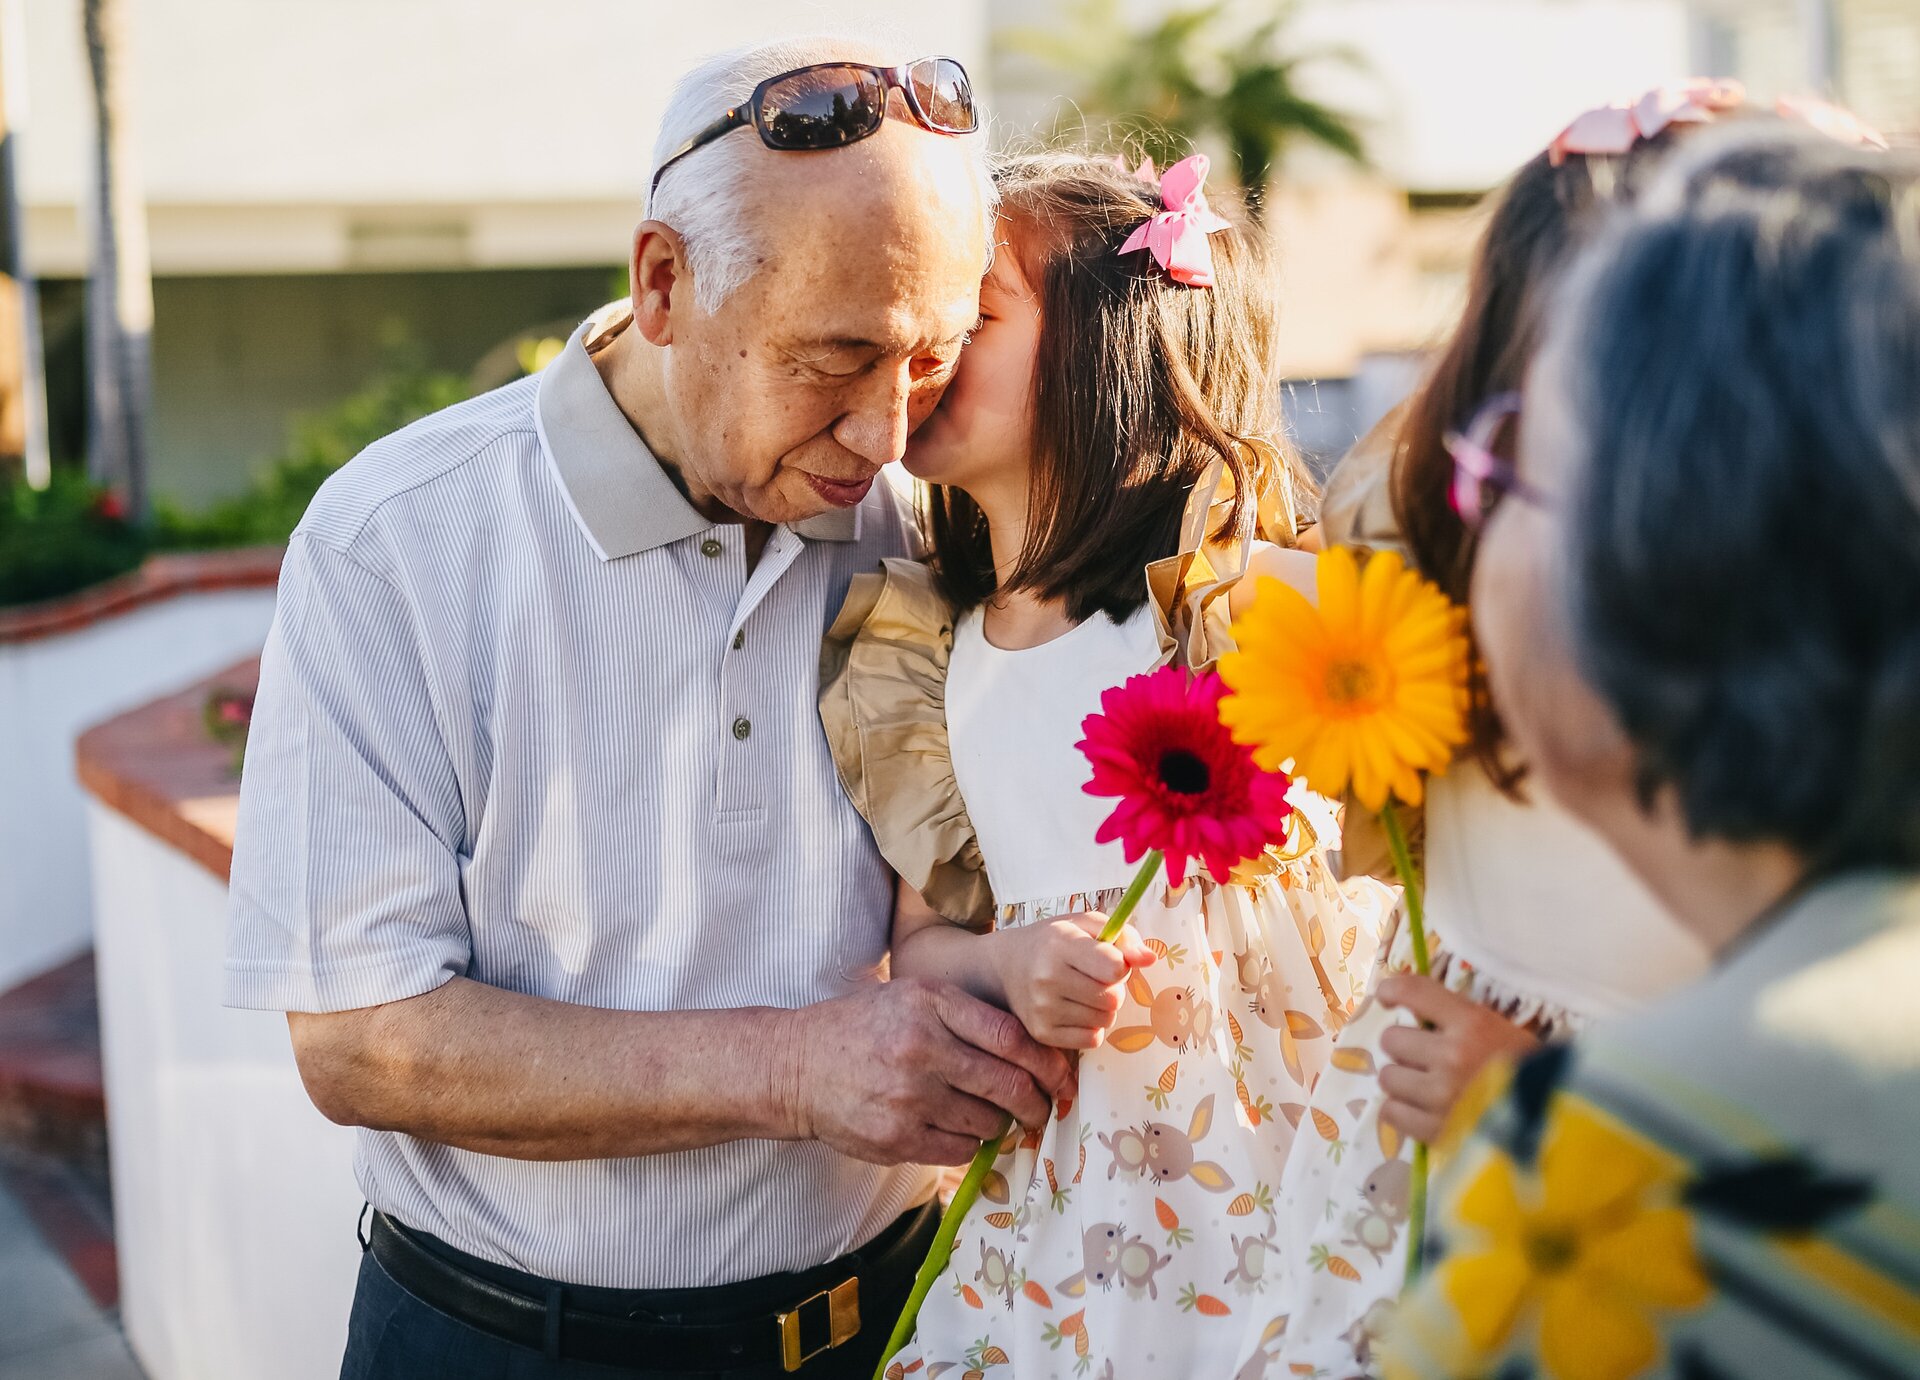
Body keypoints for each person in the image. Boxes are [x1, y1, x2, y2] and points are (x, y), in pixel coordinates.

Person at [223, 35, 1076, 1380]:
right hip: (499, 1347)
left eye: (929, 358)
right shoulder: (395, 538)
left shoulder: (921, 522)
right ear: (665, 284)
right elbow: (362, 1041)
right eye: (835, 358)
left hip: (900, 1327)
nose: (886, 437)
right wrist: (794, 1070)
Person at [1232, 86, 1890, 1378]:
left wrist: (1542, 1092)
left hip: (1636, 1126)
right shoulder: (1420, 546)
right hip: (1444, 1099)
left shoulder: (1814, 667)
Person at [821, 150, 1397, 1380]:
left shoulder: (1230, 602)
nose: (921, 349)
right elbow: (926, 940)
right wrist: (1008, 963)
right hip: (1073, 1217)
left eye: (969, 316)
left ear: (1111, 348)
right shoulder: (922, 658)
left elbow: (1402, 799)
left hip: (1264, 1168)